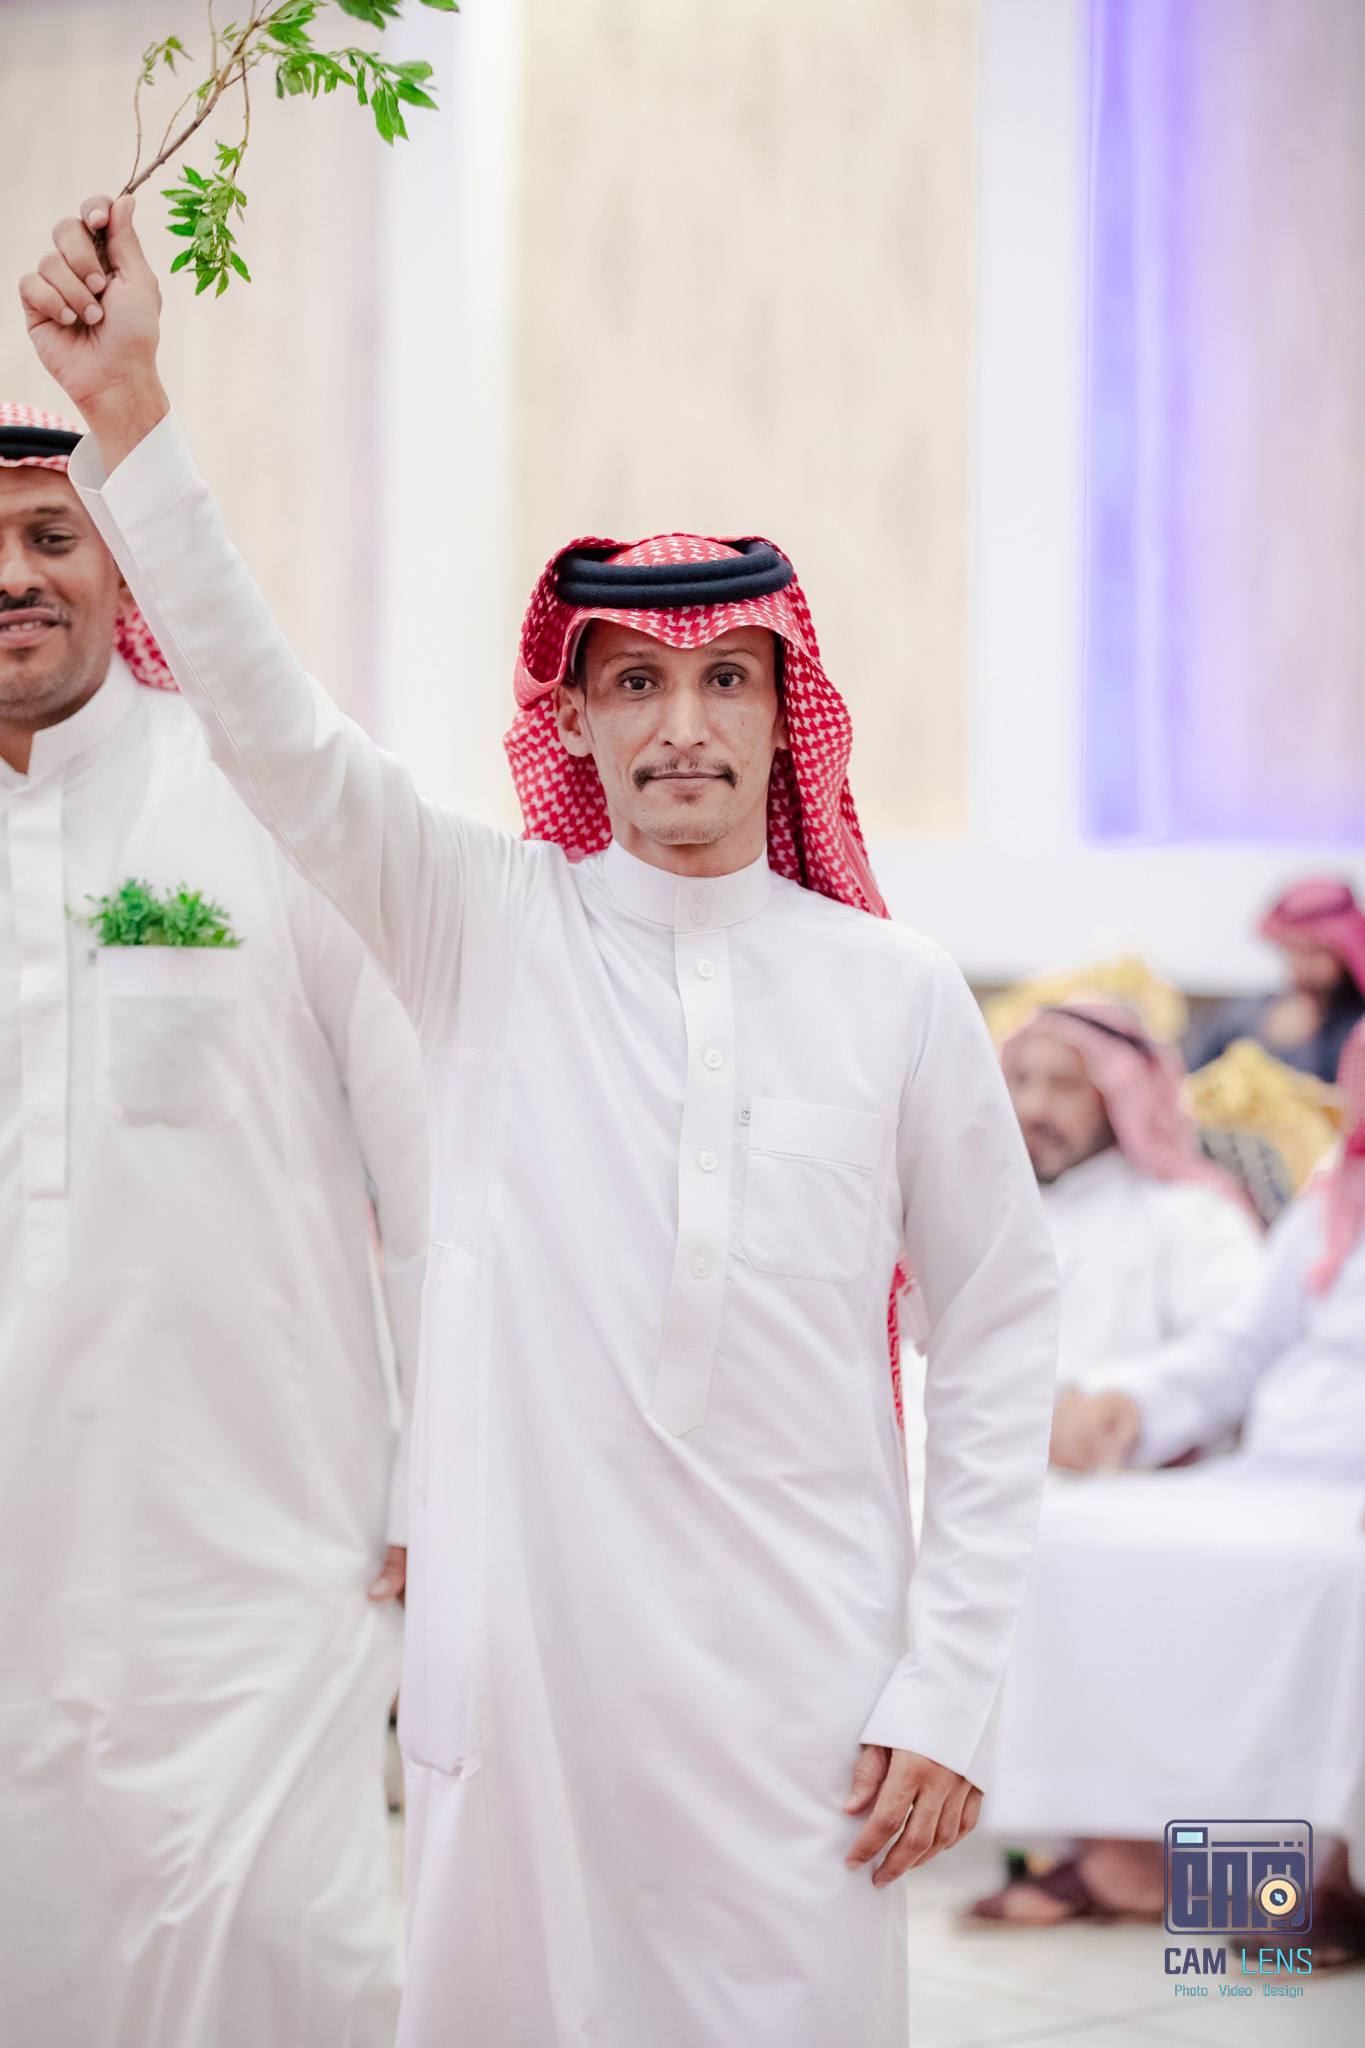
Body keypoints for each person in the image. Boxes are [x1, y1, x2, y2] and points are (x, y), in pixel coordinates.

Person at [21, 195, 1060, 2048]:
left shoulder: (896, 991)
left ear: (787, 713)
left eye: (724, 679)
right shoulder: (481, 932)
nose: (683, 727)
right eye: (634, 684)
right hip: (528, 1707)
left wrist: (954, 1675)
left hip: (809, 1704)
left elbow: (998, 1331)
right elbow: (271, 723)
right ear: (570, 723)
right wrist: (131, 414)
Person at [0, 396, 428, 2047]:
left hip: (258, 1547)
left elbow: (436, 1168)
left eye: (53, 534)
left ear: (126, 567)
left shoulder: (262, 800)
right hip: (17, 1549)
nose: (17, 574)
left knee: (284, 1954)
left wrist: (436, 1462)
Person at [968, 1020, 1365, 1961]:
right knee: (1060, 1540)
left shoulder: (1183, 1213)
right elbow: (1240, 1348)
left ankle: (1329, 1879)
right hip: (1274, 1474)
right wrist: (1128, 1406)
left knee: (1335, 1577)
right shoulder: (1338, 1198)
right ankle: (1124, 1859)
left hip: (1347, 1501)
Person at [1001, 1001, 1263, 1431]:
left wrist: (1125, 1402)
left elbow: (1239, 1349)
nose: (1033, 1108)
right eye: (1021, 1082)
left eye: (1064, 1086)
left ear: (1117, 1096)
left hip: (1118, 1462)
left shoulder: (1188, 1212)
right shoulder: (988, 1207)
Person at [1184, 877, 1365, 1084]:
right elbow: (1191, 1080)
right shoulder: (1243, 1015)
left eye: (1321, 952)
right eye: (1300, 951)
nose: (1310, 965)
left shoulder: (1356, 1032)